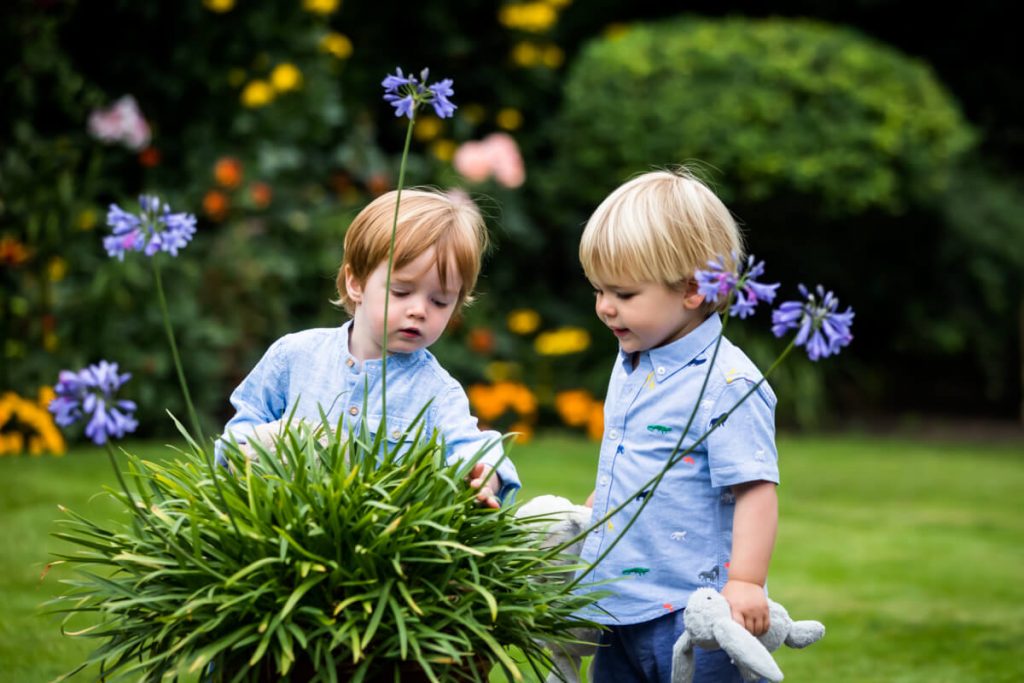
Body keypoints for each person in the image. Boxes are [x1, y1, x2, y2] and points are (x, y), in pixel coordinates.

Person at [577, 169, 779, 682]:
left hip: (694, 616)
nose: (604, 307)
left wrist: (747, 583)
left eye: (622, 293)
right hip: (620, 604)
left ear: (692, 289)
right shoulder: (633, 361)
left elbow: (755, 489)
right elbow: (633, 454)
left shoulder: (729, 383)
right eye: (598, 290)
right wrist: (602, 505)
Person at [219, 188, 519, 507]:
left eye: (440, 301)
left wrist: (487, 475)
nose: (419, 310)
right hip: (280, 521)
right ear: (356, 283)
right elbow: (245, 423)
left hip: (379, 540)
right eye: (401, 292)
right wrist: (245, 455)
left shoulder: (438, 392)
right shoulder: (294, 356)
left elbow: (473, 448)